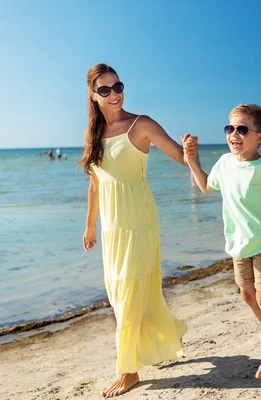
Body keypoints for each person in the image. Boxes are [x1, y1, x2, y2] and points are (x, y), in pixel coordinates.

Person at [79, 64, 187, 398]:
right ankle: (161, 339)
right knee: (122, 293)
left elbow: (180, 156)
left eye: (118, 86)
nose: (115, 94)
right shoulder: (93, 134)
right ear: (93, 95)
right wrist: (90, 225)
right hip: (113, 229)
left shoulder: (141, 125)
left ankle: (128, 371)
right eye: (105, 89)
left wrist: (196, 157)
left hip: (139, 222)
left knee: (128, 294)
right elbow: (96, 183)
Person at [182, 104, 261, 380]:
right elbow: (204, 186)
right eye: (230, 128)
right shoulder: (224, 163)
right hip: (238, 244)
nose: (234, 134)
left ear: (259, 136)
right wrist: (191, 159)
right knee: (247, 295)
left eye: (242, 129)